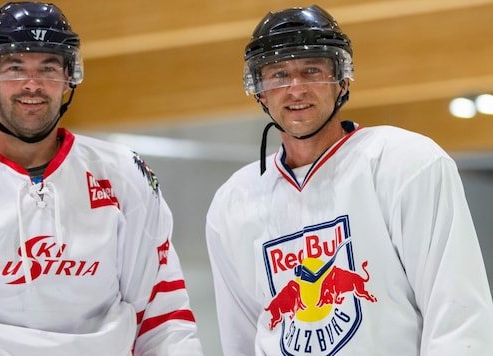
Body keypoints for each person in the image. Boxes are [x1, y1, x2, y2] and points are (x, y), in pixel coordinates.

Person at [0, 2, 203, 355]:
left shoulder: (126, 176)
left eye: (48, 68)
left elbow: (164, 321)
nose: (32, 84)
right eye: (15, 68)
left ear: (68, 79)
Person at [205, 5, 493, 355]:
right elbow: (241, 339)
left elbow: (457, 315)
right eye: (279, 74)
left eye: (312, 70)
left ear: (342, 80)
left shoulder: (407, 163)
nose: (295, 88)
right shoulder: (232, 202)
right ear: (261, 91)